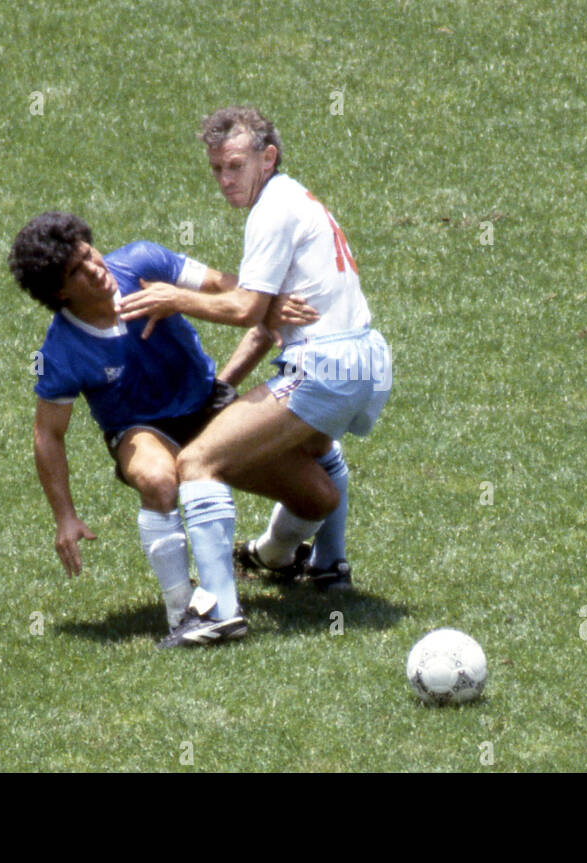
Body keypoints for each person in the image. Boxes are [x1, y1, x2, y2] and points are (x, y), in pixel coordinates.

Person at [117, 106, 392, 648]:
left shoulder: (271, 212)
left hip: (325, 368)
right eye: (217, 169)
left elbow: (245, 309)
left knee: (197, 461)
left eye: (235, 166)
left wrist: (176, 299)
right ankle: (325, 566)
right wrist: (227, 384)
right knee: (313, 448)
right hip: (365, 360)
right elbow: (268, 325)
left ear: (267, 158)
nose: (225, 180)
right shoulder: (295, 198)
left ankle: (219, 612)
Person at [7, 211, 322, 643]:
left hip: (208, 408)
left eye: (89, 255)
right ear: (59, 292)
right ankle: (182, 615)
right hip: (140, 430)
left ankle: (268, 554)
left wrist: (272, 303)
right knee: (157, 479)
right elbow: (48, 435)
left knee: (318, 498)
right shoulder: (60, 351)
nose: (95, 270)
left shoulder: (142, 262)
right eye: (77, 272)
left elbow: (225, 286)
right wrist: (65, 517)